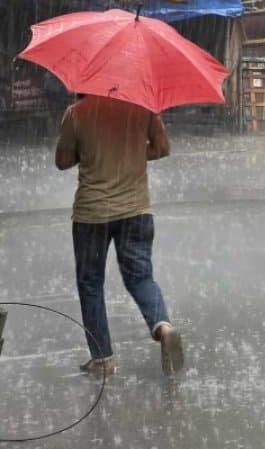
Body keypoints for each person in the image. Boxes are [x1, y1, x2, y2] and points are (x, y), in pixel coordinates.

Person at [55, 94, 184, 376]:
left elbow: (62, 160)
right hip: (136, 210)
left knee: (91, 283)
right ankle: (163, 327)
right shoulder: (142, 107)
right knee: (140, 277)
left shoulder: (76, 113)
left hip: (92, 215)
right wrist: (133, 153)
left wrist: (89, 152)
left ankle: (102, 360)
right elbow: (162, 148)